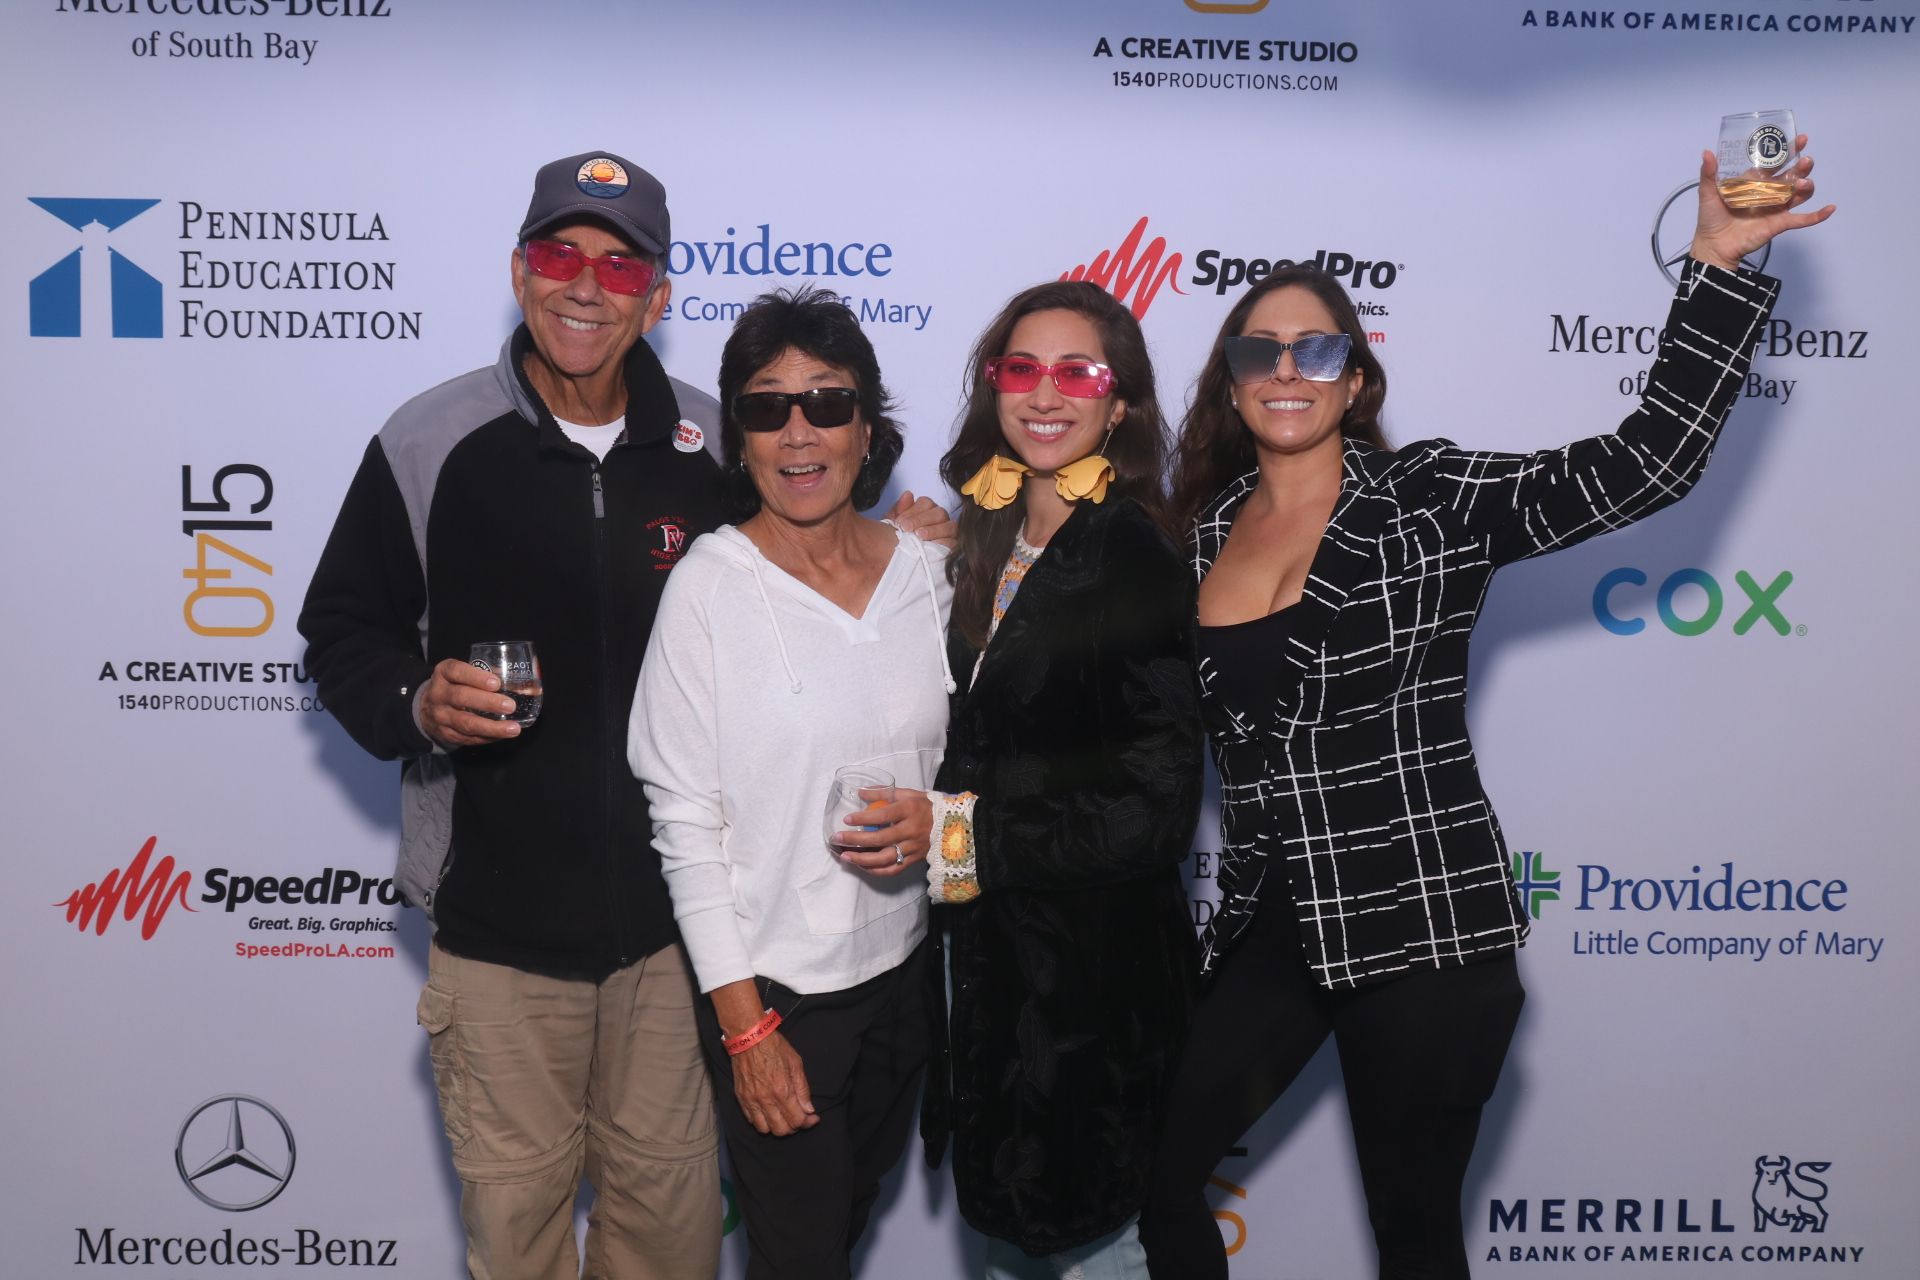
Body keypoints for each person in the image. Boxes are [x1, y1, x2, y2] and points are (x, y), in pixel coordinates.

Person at [1139, 145, 1835, 1280]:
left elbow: (1648, 464)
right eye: (1259, 350)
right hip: (1278, 926)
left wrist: (1713, 268)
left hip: (1426, 932)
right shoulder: (1202, 535)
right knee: (1164, 1180)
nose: (1287, 369)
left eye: (1318, 348)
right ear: (1230, 382)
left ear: (1356, 381)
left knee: (1414, 1236)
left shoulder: (1430, 499)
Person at [299, 152, 949, 1280]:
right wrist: (416, 702)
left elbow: (815, 536)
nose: (586, 285)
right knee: (519, 1244)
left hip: (674, 941)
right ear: (519, 271)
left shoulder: (714, 442)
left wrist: (914, 541)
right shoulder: (430, 438)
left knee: (668, 1246)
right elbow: (343, 629)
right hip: (500, 933)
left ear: (658, 297)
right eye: (561, 255)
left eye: (620, 264)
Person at [629, 286, 953, 1280]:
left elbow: (984, 762)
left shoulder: (928, 573)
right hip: (779, 998)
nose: (800, 431)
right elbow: (684, 824)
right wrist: (747, 1031)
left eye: (829, 402)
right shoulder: (708, 588)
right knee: (800, 1259)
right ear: (741, 440)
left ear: (868, 429)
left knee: (840, 1232)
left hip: (907, 978)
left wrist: (943, 822)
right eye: (769, 408)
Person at [918, 280, 1205, 1280]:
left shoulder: (1132, 551)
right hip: (993, 976)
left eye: (1077, 373)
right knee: (1014, 1241)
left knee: (1096, 1243)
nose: (1045, 395)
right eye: (1022, 368)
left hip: (1090, 989)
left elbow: (1156, 808)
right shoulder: (987, 532)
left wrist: (957, 839)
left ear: (1119, 402)